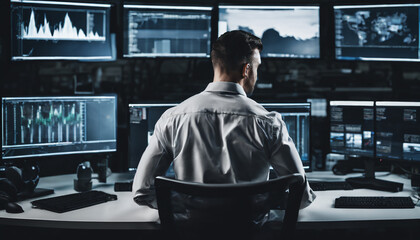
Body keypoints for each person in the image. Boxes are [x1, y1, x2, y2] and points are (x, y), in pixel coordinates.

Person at [132, 30, 315, 209]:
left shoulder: (172, 119)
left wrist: (189, 205)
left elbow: (142, 191)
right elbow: (302, 197)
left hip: (190, 233)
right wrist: (259, 203)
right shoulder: (268, 123)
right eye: (257, 67)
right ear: (246, 69)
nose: (257, 76)